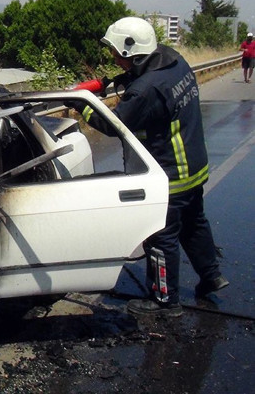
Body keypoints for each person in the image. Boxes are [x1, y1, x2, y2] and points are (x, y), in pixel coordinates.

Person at [70, 16, 228, 317]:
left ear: (130, 51)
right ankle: (212, 276)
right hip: (194, 167)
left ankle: (165, 302)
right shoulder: (173, 61)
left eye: (116, 52)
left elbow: (111, 124)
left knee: (160, 236)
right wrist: (113, 81)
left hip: (171, 174)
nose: (114, 57)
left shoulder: (145, 91)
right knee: (194, 222)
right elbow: (147, 81)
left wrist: (81, 100)